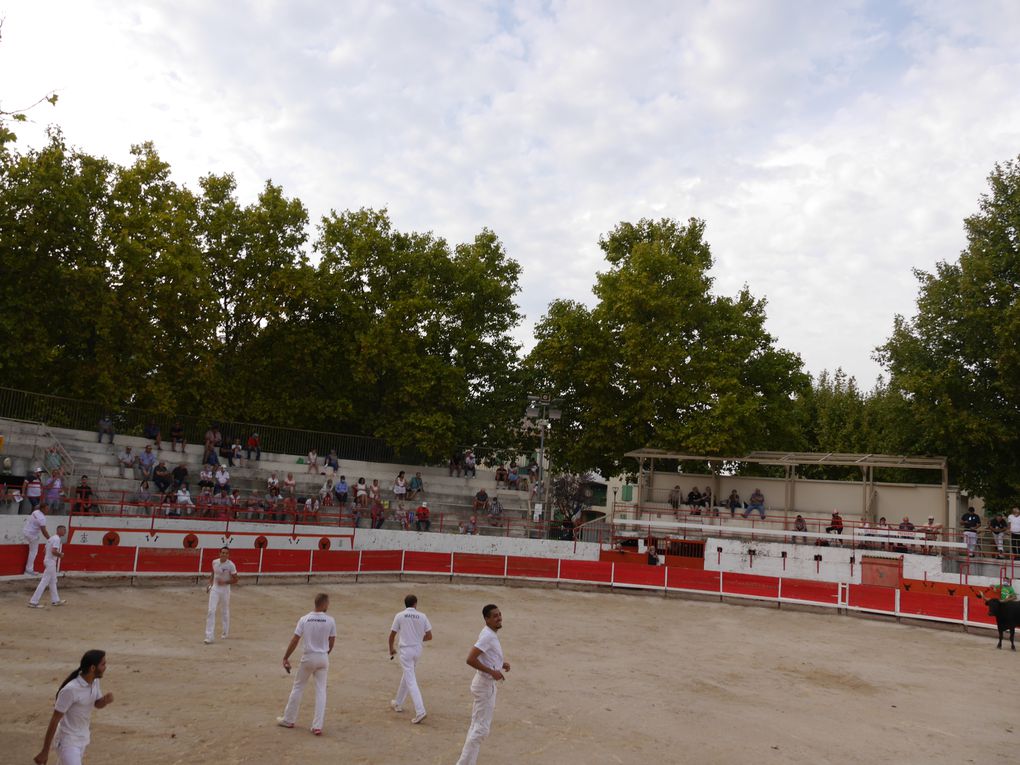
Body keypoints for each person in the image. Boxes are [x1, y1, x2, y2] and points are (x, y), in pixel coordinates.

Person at [34, 649, 113, 765]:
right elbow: (55, 720)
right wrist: (45, 751)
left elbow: (96, 703)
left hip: (82, 738)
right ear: (92, 668)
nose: (105, 667)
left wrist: (104, 701)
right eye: (103, 664)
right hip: (67, 741)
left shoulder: (95, 681)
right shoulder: (70, 690)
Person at [456, 604, 510, 765]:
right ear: (486, 619)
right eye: (495, 616)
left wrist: (500, 664)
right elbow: (470, 659)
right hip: (485, 685)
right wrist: (492, 672)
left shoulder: (489, 633)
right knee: (481, 730)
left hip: (484, 683)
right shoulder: (488, 636)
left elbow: (486, 656)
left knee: (476, 726)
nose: (499, 618)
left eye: (500, 614)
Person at [278, 593, 336, 735]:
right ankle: (317, 726)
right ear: (323, 604)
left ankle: (289, 719)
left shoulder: (305, 619)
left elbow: (295, 640)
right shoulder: (330, 621)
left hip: (308, 657)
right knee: (321, 691)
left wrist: (286, 657)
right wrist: (324, 655)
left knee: (298, 687)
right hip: (323, 657)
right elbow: (332, 641)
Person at [388, 594, 433, 724]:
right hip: (417, 650)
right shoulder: (422, 616)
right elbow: (429, 636)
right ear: (415, 604)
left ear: (405, 604)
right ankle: (398, 703)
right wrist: (418, 639)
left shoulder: (400, 615)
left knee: (411, 679)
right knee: (407, 675)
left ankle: (420, 710)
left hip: (406, 650)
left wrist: (391, 648)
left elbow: (392, 635)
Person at [204, 546, 239, 644]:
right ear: (219, 553)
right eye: (222, 552)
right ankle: (209, 636)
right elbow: (213, 572)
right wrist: (210, 583)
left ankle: (225, 631)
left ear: (228, 555)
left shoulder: (231, 565)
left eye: (226, 553)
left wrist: (224, 582)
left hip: (225, 590)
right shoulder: (215, 562)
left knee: (224, 610)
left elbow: (236, 579)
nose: (224, 554)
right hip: (215, 588)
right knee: (211, 610)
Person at [29, 524, 67, 608]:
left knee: (53, 581)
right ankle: (33, 601)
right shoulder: (57, 539)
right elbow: (54, 551)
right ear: (59, 530)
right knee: (44, 581)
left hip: (48, 560)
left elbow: (45, 550)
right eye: (64, 530)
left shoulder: (51, 538)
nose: (65, 532)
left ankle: (55, 600)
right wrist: (60, 555)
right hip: (51, 562)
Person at [23, 503, 51, 576]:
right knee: (33, 552)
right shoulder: (42, 518)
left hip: (25, 531)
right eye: (46, 509)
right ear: (42, 509)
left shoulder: (35, 512)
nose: (48, 510)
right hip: (32, 535)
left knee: (32, 550)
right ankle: (29, 570)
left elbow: (37, 507)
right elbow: (44, 531)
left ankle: (28, 569)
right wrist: (50, 539)